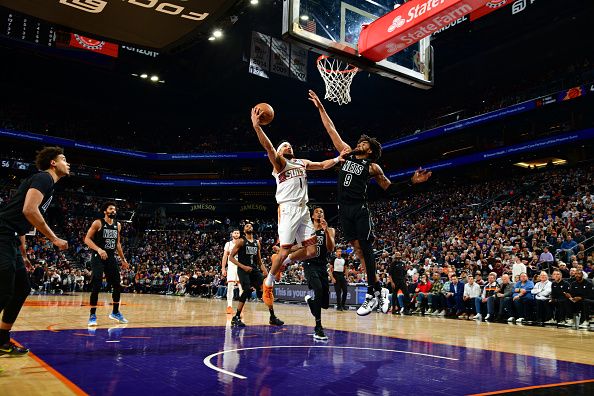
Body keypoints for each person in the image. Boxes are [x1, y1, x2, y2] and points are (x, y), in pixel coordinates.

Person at [308, 90, 431, 316]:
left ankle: (374, 292)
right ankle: (377, 290)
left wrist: (412, 182)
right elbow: (330, 129)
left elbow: (390, 189)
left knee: (365, 246)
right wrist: (321, 108)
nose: (359, 143)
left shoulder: (373, 167)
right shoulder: (346, 153)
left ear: (370, 150)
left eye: (363, 143)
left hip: (359, 208)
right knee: (357, 250)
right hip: (343, 209)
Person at [250, 106, 347, 306]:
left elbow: (321, 165)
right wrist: (257, 127)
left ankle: (283, 262)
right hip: (288, 209)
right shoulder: (279, 164)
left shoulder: (301, 162)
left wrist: (338, 158)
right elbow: (268, 147)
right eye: (284, 145)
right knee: (284, 250)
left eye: (290, 145)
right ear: (279, 152)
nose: (288, 146)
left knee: (312, 251)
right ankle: (268, 283)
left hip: (303, 209)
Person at [0, 146, 69, 356]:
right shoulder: (44, 178)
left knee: (22, 288)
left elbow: (20, 218)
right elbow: (29, 210)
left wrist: (23, 254)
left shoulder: (47, 184)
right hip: (2, 233)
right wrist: (54, 238)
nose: (68, 163)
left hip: (11, 237)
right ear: (53, 163)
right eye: (64, 159)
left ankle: (2, 340)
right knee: (3, 289)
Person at [229, 223, 283, 327]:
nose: (249, 227)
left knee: (266, 288)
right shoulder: (241, 241)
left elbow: (259, 261)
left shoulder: (257, 243)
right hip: (243, 270)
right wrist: (243, 267)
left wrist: (268, 275)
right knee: (247, 290)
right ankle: (236, 317)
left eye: (250, 226)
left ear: (253, 229)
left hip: (254, 269)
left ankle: (272, 317)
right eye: (246, 226)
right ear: (244, 231)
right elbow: (231, 257)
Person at [84, 201, 130, 326]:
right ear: (105, 211)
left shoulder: (118, 225)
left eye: (114, 209)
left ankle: (115, 312)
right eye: (110, 209)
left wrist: (123, 260)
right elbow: (86, 239)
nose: (113, 211)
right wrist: (98, 249)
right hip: (97, 256)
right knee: (97, 282)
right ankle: (92, 315)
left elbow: (118, 244)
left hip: (110, 256)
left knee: (117, 284)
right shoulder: (98, 223)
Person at [303, 207, 335, 340]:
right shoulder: (307, 230)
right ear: (312, 215)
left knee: (325, 304)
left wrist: (326, 230)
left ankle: (311, 302)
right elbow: (300, 246)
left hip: (322, 266)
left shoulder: (330, 230)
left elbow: (331, 248)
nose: (319, 213)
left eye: (322, 211)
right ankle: (318, 327)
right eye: (317, 211)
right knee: (318, 289)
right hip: (310, 264)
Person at [221, 229, 243, 314]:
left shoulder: (242, 243)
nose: (237, 234)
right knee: (230, 286)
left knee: (242, 288)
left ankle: (241, 306)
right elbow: (224, 257)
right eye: (235, 233)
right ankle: (229, 306)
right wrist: (223, 268)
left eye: (238, 233)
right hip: (231, 267)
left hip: (240, 267)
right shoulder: (228, 244)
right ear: (232, 234)